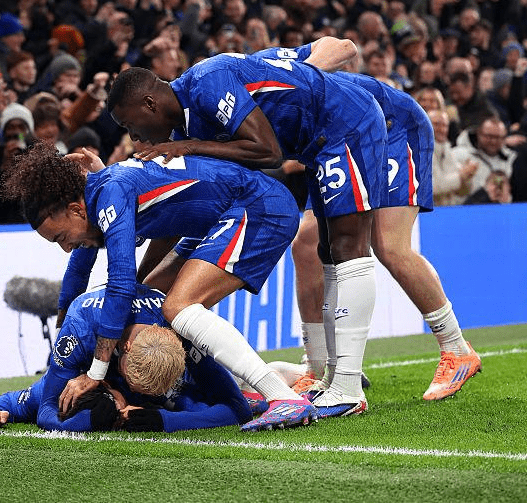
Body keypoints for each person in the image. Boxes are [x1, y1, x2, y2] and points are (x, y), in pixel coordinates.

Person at [107, 42, 387, 417]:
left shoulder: (207, 82)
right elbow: (172, 227)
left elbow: (267, 152)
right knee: (330, 251)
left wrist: (192, 147)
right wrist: (143, 285)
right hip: (314, 144)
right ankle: (334, 378)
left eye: (129, 124)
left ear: (149, 104)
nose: (134, 137)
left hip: (345, 122)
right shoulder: (189, 123)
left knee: (349, 245)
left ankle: (348, 387)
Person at [0, 142, 315, 432]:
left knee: (175, 307)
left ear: (75, 210)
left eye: (60, 238)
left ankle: (283, 398)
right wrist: (67, 336)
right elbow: (78, 274)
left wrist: (95, 373)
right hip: (220, 217)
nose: (66, 247)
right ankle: (291, 378)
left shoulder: (110, 195)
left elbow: (120, 284)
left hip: (256, 207)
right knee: (146, 301)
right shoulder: (97, 195)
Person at [255, 42, 482, 402]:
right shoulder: (245, 88)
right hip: (333, 141)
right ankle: (321, 364)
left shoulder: (264, 75)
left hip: (392, 128)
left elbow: (344, 46)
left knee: (389, 245)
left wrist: (304, 74)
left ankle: (456, 349)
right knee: (306, 242)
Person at [0, 284, 252, 434]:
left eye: (143, 393)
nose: (132, 393)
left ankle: (267, 383)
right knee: (65, 398)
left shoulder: (185, 328)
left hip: (166, 378)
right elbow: (40, 403)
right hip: (94, 358)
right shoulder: (81, 329)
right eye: (132, 386)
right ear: (126, 347)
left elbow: (238, 409)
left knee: (197, 403)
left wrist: (163, 419)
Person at [452, 117, 517, 199]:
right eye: (489, 136)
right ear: (478, 134)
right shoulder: (459, 154)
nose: (493, 141)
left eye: (498, 137)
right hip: (466, 208)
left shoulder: (512, 158)